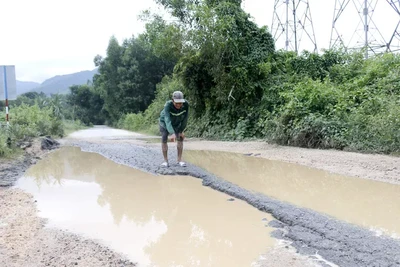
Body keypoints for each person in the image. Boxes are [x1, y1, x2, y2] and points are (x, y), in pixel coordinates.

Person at [159, 91, 189, 167]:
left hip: (176, 122)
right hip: (164, 123)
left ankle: (179, 160)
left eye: (180, 103)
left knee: (180, 138)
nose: (179, 105)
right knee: (164, 138)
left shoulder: (186, 105)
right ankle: (165, 161)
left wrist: (181, 131)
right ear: (173, 100)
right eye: (176, 103)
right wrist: (172, 133)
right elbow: (167, 119)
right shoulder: (168, 105)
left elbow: (185, 118)